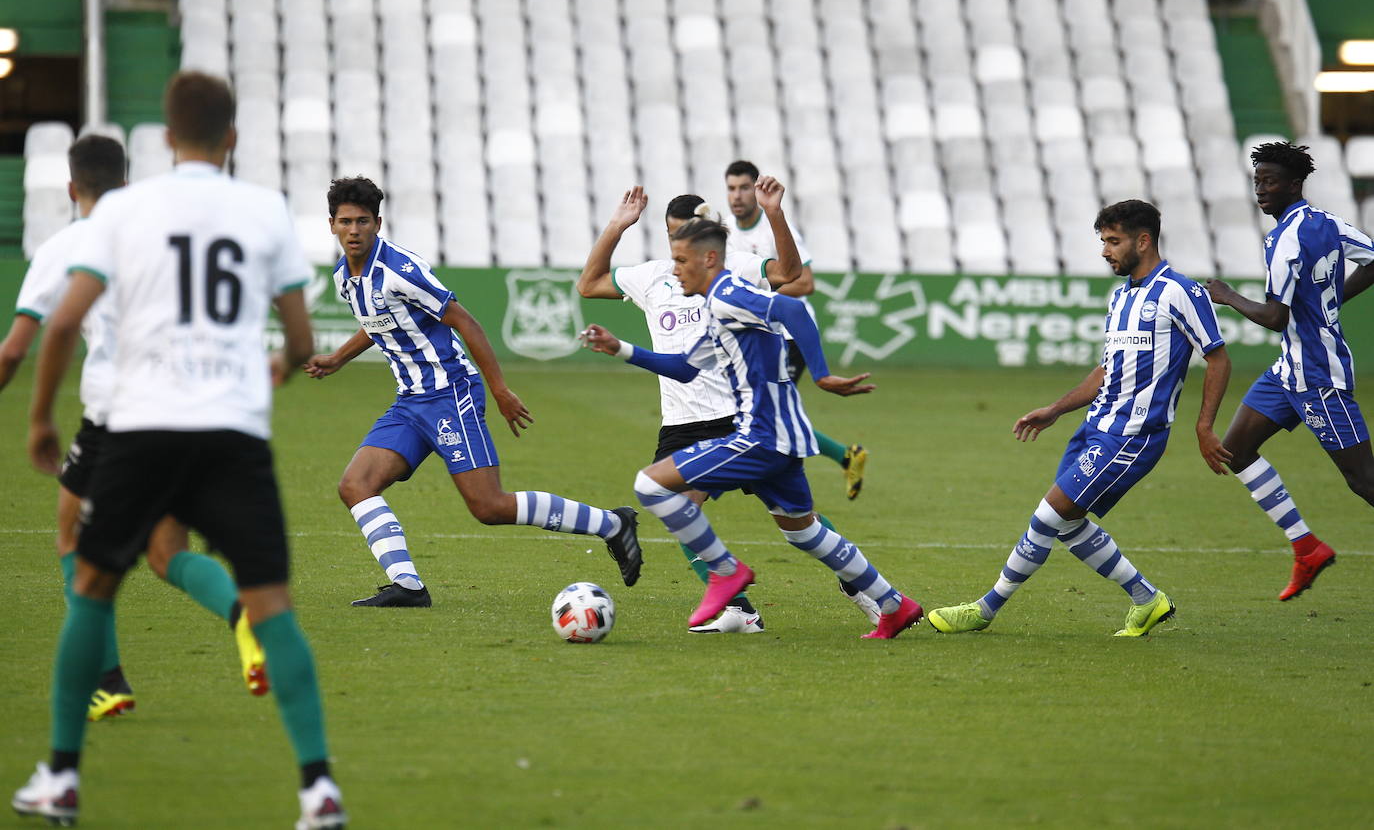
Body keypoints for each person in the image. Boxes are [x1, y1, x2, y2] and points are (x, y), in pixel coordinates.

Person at [14, 72, 346, 829]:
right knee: (273, 608)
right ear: (232, 138)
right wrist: (281, 366)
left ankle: (62, 775)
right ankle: (318, 788)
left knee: (92, 588)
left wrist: (39, 421)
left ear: (165, 139)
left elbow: (63, 325)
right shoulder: (264, 209)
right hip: (232, 432)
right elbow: (299, 340)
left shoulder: (127, 210)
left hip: (139, 429)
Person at [0, 135, 269, 724]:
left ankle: (107, 683)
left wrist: (37, 415)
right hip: (178, 411)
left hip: (114, 417)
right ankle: (243, 612)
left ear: (72, 189)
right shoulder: (157, 241)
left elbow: (16, 349)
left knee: (73, 543)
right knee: (165, 551)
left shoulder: (68, 245)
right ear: (126, 183)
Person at [303, 176, 641, 608]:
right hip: (409, 403)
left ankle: (612, 524)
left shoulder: (401, 270)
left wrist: (499, 389)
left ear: (378, 223)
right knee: (355, 485)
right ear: (331, 224)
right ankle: (407, 586)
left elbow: (465, 322)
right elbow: (377, 323)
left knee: (489, 506)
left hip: (450, 394)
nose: (355, 230)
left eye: (363, 221)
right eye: (346, 221)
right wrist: (338, 358)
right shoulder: (344, 279)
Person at [581, 215, 924, 639]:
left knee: (653, 486)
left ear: (709, 259)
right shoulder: (717, 305)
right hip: (784, 435)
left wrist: (820, 375)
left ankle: (726, 572)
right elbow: (685, 368)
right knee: (806, 534)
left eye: (681, 260)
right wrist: (621, 348)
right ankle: (894, 604)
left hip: (762, 436)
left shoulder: (727, 294)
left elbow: (793, 306)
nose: (674, 270)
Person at [928, 200, 1231, 638]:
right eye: (1103, 241)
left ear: (1143, 241)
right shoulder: (1122, 296)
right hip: (1095, 427)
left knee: (1046, 518)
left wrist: (1203, 427)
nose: (1105, 251)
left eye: (1113, 241)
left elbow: (1218, 359)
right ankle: (1148, 600)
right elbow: (1107, 369)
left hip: (1133, 436)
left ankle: (984, 610)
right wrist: (1056, 409)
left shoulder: (1179, 292)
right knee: (1068, 525)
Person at [1206, 141, 1374, 600]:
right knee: (1235, 451)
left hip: (1319, 377)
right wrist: (1333, 300)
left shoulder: (1285, 241)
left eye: (1269, 181)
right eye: (1257, 181)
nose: (1260, 189)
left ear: (1294, 184)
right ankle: (1307, 548)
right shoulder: (1327, 223)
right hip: (1288, 372)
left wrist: (1227, 295)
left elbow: (1275, 317)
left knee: (1364, 481)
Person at [724, 160, 868, 500]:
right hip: (755, 334)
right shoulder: (725, 230)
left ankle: (783, 479)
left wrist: (754, 291)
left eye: (744, 187)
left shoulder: (774, 229)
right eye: (731, 188)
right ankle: (846, 456)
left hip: (789, 336)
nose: (737, 196)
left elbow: (805, 282)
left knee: (765, 411)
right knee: (765, 411)